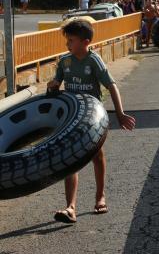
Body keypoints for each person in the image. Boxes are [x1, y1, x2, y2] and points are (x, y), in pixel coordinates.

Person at [47, 20, 135, 223]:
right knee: (70, 160)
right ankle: (70, 207)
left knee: (97, 156)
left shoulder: (93, 61)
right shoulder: (64, 62)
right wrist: (52, 86)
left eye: (71, 40)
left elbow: (112, 86)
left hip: (94, 118)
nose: (67, 44)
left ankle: (100, 196)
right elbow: (56, 86)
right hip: (72, 118)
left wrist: (119, 114)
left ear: (85, 42)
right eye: (67, 40)